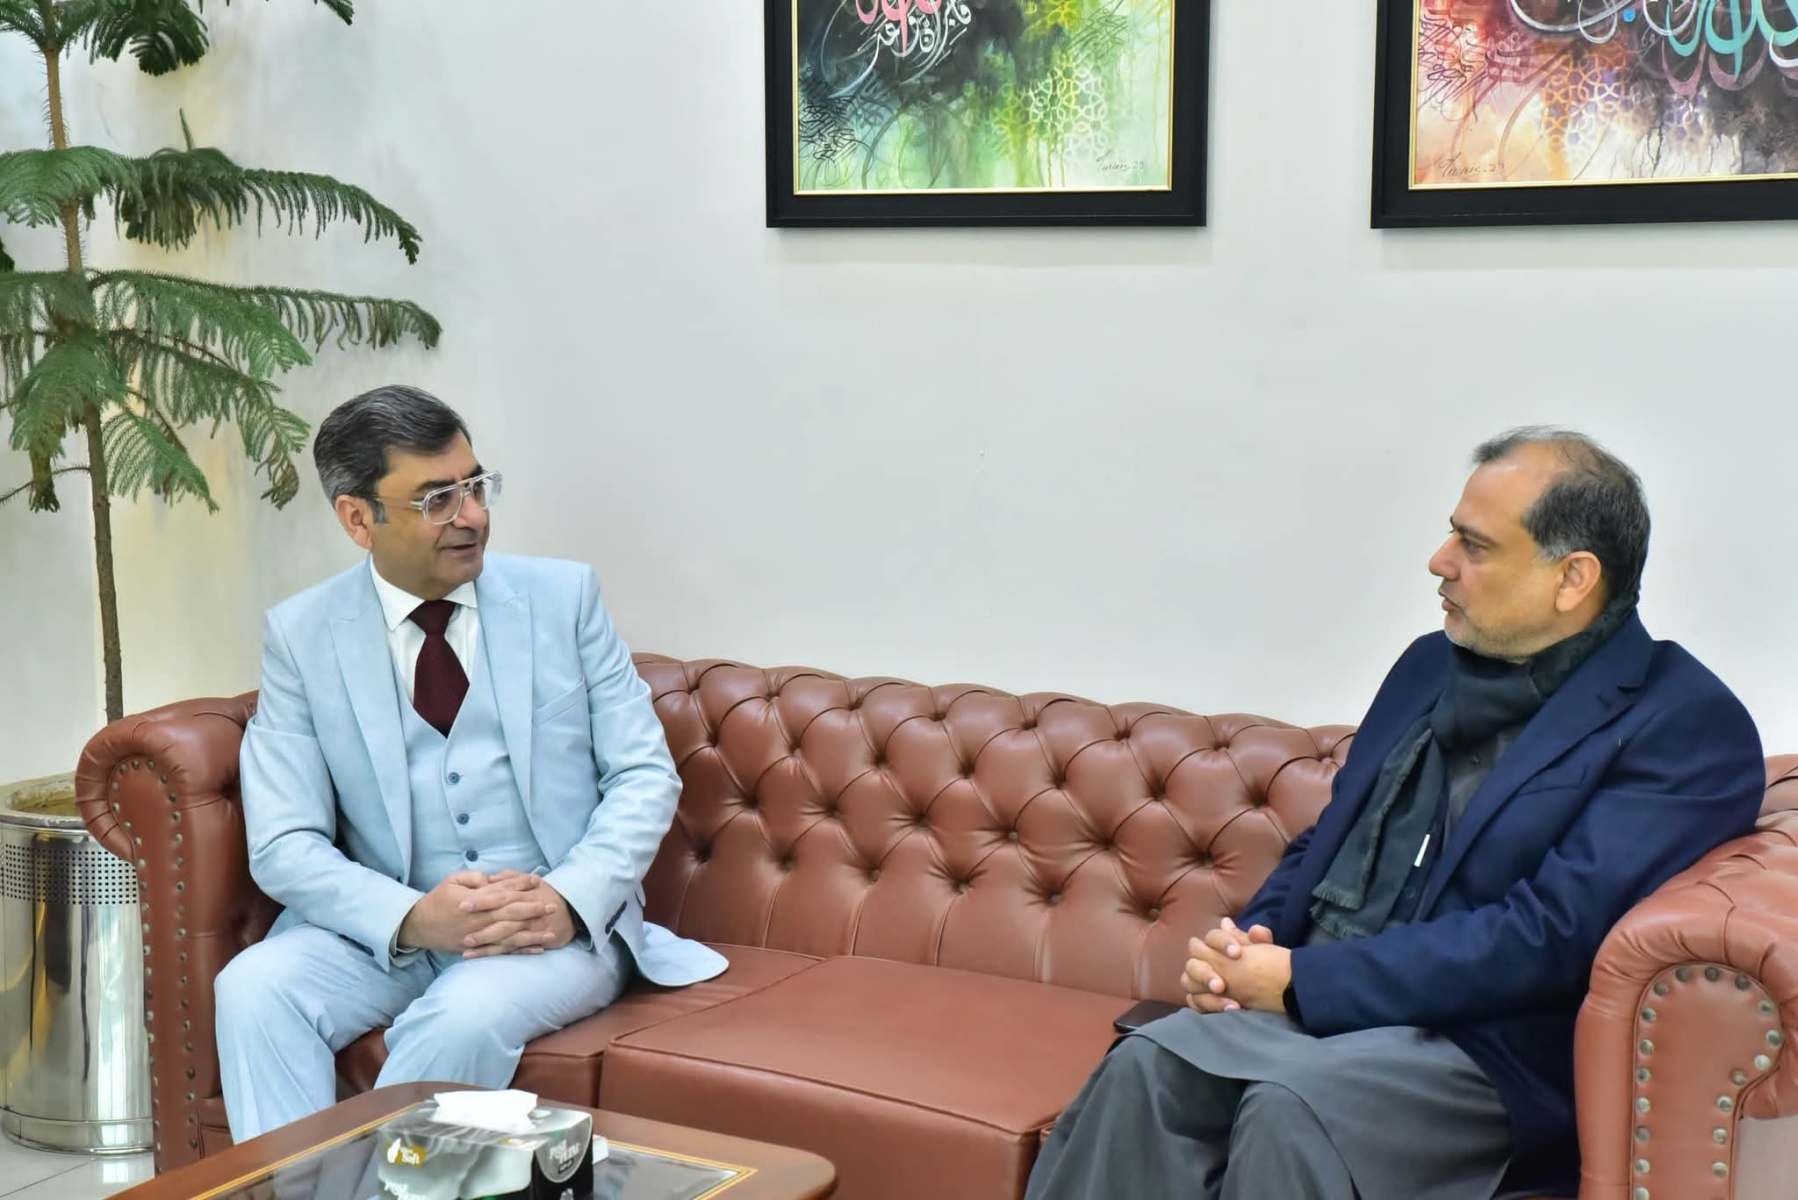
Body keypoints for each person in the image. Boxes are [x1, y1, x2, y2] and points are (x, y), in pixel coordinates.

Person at [1026, 428, 1765, 1199]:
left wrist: (1303, 981)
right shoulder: (1427, 666)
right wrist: (1250, 947)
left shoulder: (1682, 723)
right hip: (1328, 1003)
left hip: (1483, 1050)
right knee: (1148, 1065)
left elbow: (1549, 933)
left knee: (1294, 1109)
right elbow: (1331, 838)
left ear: (1573, 578)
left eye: (1474, 545)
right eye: (1452, 534)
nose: (1440, 561)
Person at [215, 385, 726, 1141]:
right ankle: (295, 1188)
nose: (473, 515)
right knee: (254, 988)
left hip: (550, 928)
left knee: (463, 1014)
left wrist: (566, 898)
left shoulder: (564, 599)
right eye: (437, 499)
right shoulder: (302, 635)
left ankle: (371, 1191)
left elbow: (643, 775)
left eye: (476, 486)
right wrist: (412, 919)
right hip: (390, 930)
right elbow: (284, 843)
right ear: (358, 518)